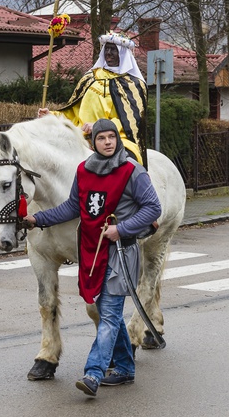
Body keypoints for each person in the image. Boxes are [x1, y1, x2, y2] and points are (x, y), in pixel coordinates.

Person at [24, 118, 161, 397]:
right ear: (94, 142)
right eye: (102, 138)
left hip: (120, 252)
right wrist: (37, 219)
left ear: (117, 140)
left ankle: (93, 373)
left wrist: (121, 229)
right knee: (110, 313)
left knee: (108, 313)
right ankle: (124, 368)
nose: (108, 142)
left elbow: (153, 208)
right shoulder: (84, 170)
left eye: (112, 137)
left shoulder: (132, 171)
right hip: (91, 252)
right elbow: (73, 207)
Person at [38, 31, 148, 166]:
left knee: (127, 165)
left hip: (114, 139)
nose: (108, 53)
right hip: (81, 137)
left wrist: (98, 127)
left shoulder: (133, 84)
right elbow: (72, 112)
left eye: (113, 49)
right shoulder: (90, 77)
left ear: (123, 53)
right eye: (106, 49)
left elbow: (132, 121)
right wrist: (51, 115)